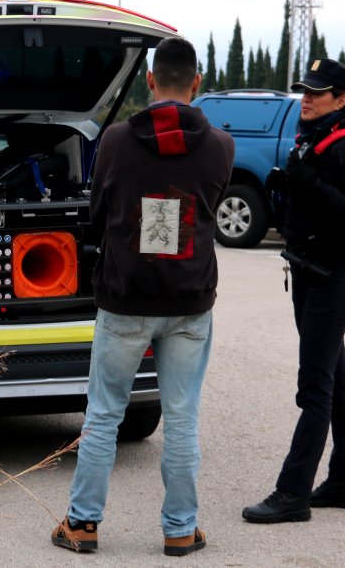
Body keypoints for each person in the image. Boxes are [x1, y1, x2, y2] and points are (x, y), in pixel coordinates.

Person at [50, 37, 234, 557]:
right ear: (196, 83)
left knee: (104, 413)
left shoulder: (113, 141)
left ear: (150, 81)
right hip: (189, 300)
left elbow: (97, 211)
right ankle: (180, 528)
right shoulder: (222, 145)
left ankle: (82, 525)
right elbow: (210, 206)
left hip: (125, 298)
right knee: (181, 417)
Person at [242, 58, 345, 524]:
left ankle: (292, 493)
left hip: (332, 279)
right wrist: (288, 189)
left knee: (314, 391)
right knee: (335, 383)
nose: (307, 98)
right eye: (305, 90)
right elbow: (315, 204)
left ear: (341, 101)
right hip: (308, 272)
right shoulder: (314, 140)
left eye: (318, 93)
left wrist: (309, 183)